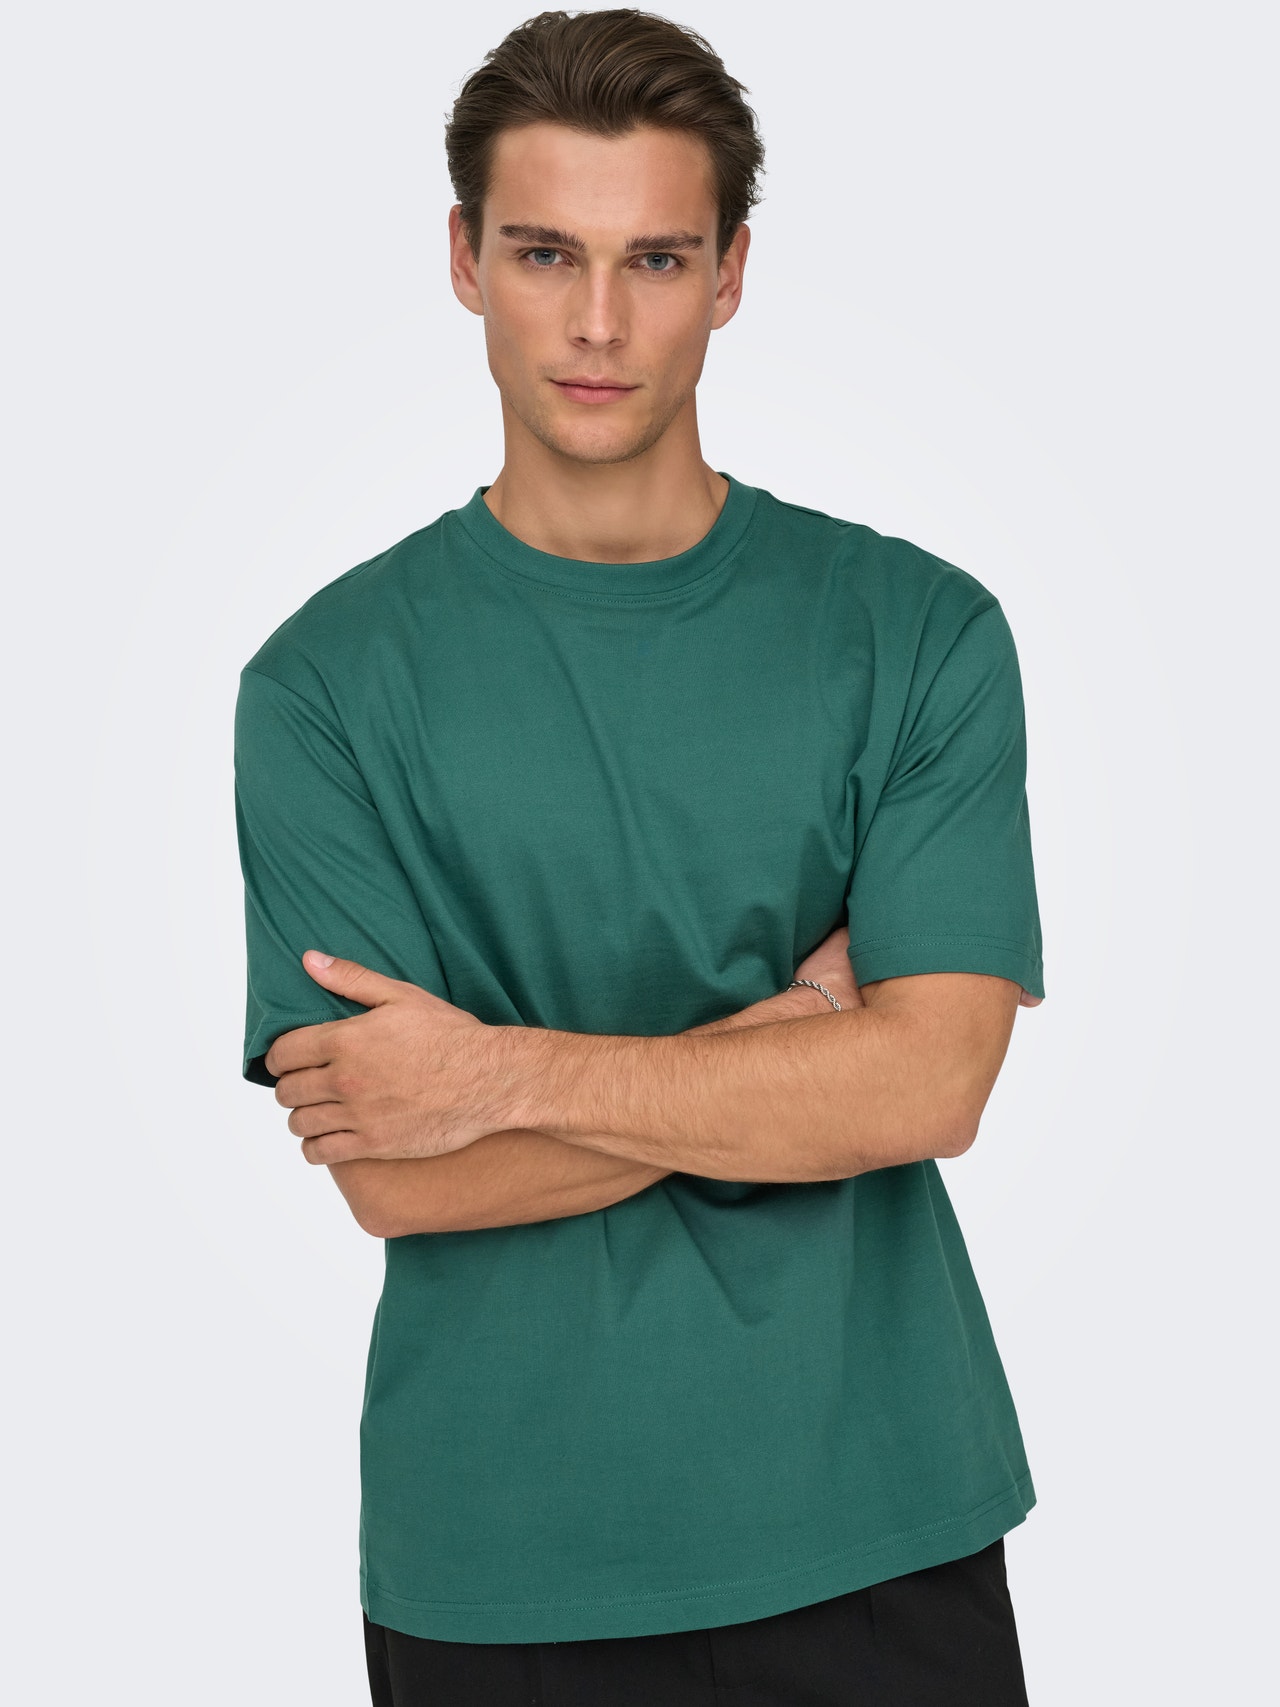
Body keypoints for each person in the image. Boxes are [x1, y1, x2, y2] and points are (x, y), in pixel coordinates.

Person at [233, 10, 1046, 1704]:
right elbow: (398, 1173)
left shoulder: (916, 633)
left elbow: (928, 1087)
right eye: (546, 253)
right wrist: (789, 1048)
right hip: (499, 1560)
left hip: (877, 1526)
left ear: (730, 274)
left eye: (656, 260)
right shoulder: (322, 686)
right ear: (464, 260)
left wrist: (493, 1077)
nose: (597, 323)